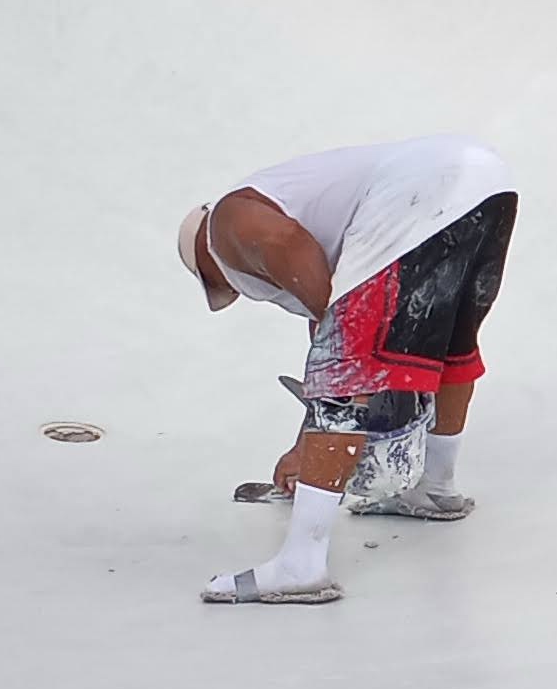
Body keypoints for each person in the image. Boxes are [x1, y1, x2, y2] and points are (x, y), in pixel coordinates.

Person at [180, 136, 517, 607]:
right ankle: (435, 489)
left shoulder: (224, 224)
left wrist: (344, 356)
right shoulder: (300, 203)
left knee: (344, 362)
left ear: (205, 263)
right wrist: (309, 443)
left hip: (418, 192)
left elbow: (297, 263)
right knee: (451, 348)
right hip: (486, 184)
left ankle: (301, 564)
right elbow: (323, 309)